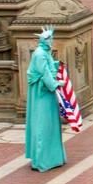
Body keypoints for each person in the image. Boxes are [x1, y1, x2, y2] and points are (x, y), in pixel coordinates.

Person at [25, 27, 67, 171]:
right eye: (49, 39)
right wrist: (55, 85)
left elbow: (49, 68)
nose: (51, 41)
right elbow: (45, 73)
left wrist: (57, 65)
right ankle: (42, 160)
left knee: (49, 124)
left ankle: (52, 157)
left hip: (46, 92)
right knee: (43, 123)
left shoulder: (44, 52)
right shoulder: (40, 54)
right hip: (42, 93)